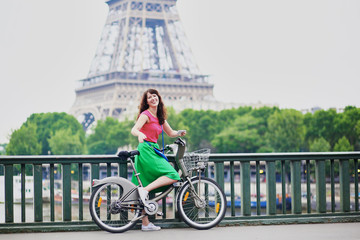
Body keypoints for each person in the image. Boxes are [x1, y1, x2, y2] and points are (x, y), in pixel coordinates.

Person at [130, 88, 186, 231]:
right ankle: (145, 190)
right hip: (146, 150)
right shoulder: (145, 114)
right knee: (173, 175)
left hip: (153, 150)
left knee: (146, 182)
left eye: (155, 96)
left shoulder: (161, 118)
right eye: (149, 97)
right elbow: (134, 129)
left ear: (158, 98)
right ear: (146, 101)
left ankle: (145, 224)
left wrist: (180, 132)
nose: (153, 99)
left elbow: (171, 133)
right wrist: (139, 135)